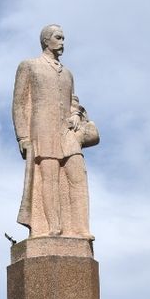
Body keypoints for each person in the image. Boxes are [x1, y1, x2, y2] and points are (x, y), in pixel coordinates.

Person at [12, 24, 96, 239]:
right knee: (49, 177)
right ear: (46, 40)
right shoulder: (29, 66)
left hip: (67, 132)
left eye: (63, 38)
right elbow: (20, 104)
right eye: (58, 37)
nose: (62, 42)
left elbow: (73, 100)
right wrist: (23, 136)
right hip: (43, 131)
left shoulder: (68, 73)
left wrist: (76, 114)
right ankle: (53, 227)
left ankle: (80, 228)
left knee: (78, 175)